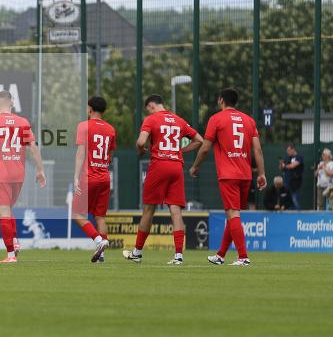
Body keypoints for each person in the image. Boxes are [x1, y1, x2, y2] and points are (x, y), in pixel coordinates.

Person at [123, 94, 203, 265]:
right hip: (176, 167)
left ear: (151, 106)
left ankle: (137, 253)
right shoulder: (179, 120)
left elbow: (140, 141)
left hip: (159, 166)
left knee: (149, 210)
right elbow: (200, 140)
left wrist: (141, 149)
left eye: (148, 109)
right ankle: (179, 256)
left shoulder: (151, 119)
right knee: (176, 211)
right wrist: (181, 151)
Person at [190, 88, 266, 267]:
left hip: (228, 175)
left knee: (233, 214)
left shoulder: (216, 119)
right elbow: (258, 150)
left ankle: (243, 256)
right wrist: (262, 173)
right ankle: (221, 255)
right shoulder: (249, 120)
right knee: (232, 216)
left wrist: (195, 166)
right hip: (245, 175)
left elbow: (206, 148)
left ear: (221, 100)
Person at [0, 90, 47, 263]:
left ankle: (11, 254)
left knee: (4, 213)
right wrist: (40, 170)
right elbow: (33, 148)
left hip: (1, 175)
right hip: (18, 174)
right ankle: (15, 242)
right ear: (12, 103)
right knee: (9, 210)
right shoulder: (23, 122)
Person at [71, 96, 116, 264]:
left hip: (88, 177)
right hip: (105, 177)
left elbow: (81, 153)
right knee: (100, 217)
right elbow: (110, 156)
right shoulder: (111, 129)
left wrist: (76, 176)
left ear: (90, 109)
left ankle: (98, 240)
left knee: (76, 214)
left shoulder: (83, 126)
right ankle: (101, 254)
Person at [279, 144, 304, 210]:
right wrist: (281, 164)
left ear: (293, 149)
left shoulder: (299, 157)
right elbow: (281, 169)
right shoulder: (287, 158)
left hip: (295, 183)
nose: (288, 152)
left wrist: (285, 166)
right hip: (287, 183)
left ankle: (298, 216)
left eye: (289, 150)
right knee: (287, 201)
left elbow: (293, 165)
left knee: (295, 199)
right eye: (287, 150)